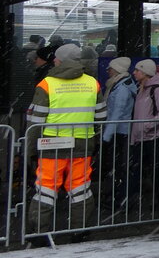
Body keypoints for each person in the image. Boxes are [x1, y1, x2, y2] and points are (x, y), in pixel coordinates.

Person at [24, 43, 106, 236]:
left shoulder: (47, 84)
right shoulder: (92, 83)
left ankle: (39, 233)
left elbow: (35, 122)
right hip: (83, 143)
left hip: (52, 144)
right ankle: (79, 230)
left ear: (59, 61)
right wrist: (93, 138)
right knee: (80, 188)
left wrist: (31, 149)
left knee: (46, 189)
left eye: (56, 58)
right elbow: (101, 117)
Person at [129, 59, 159, 216]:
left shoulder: (155, 90)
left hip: (154, 138)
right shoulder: (142, 89)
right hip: (144, 138)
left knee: (158, 172)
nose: (134, 73)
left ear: (145, 72)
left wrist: (147, 125)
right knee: (145, 171)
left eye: (137, 70)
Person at [100, 56, 137, 212]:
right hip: (118, 131)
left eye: (110, 68)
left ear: (117, 70)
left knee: (120, 167)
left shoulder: (121, 88)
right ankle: (119, 197)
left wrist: (106, 136)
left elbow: (117, 113)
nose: (108, 70)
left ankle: (120, 199)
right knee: (119, 167)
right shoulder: (119, 85)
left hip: (119, 132)